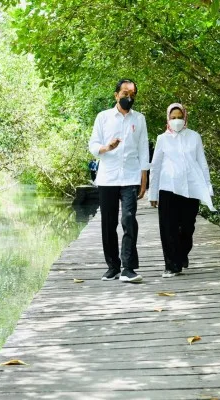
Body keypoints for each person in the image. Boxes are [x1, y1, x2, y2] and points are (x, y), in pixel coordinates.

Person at [88, 79, 149, 283]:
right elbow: (93, 145)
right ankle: (112, 267)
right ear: (116, 95)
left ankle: (128, 268)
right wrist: (107, 148)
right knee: (109, 223)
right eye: (124, 93)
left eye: (132, 94)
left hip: (131, 177)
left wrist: (144, 179)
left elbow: (143, 149)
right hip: (108, 177)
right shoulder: (103, 117)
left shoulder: (139, 119)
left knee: (129, 220)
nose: (128, 97)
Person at [149, 103, 215, 278]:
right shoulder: (162, 139)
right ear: (168, 119)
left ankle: (182, 253)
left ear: (185, 118)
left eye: (179, 117)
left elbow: (202, 163)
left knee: (187, 227)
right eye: (173, 117)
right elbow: (155, 167)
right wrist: (153, 193)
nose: (176, 120)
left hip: (191, 188)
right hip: (168, 187)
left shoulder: (194, 137)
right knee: (168, 227)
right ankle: (171, 265)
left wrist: (207, 186)